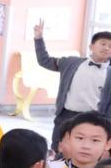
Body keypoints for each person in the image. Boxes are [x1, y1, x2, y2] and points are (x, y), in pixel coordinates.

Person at [33, 19, 111, 151]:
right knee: (58, 149)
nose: (106, 48)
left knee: (85, 152)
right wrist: (38, 39)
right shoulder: (71, 63)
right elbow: (44, 61)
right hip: (66, 115)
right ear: (91, 47)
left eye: (110, 46)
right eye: (103, 44)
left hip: (93, 119)